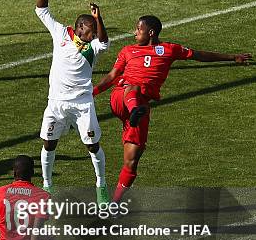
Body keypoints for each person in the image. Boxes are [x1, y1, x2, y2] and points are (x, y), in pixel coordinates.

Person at [93, 15, 252, 201]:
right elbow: (112, 76)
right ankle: (135, 109)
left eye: (138, 29)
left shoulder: (169, 49)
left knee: (132, 160)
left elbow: (199, 55)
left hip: (141, 106)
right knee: (133, 88)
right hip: (121, 97)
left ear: (151, 32)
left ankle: (115, 204)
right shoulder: (128, 50)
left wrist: (233, 57)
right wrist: (92, 92)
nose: (135, 32)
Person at [35, 0, 110, 204]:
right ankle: (47, 185)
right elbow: (41, 11)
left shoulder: (94, 47)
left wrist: (100, 19)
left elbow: (105, 43)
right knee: (49, 143)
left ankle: (101, 184)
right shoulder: (60, 33)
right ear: (80, 29)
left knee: (92, 145)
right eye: (90, 31)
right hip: (56, 102)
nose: (93, 36)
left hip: (82, 103)